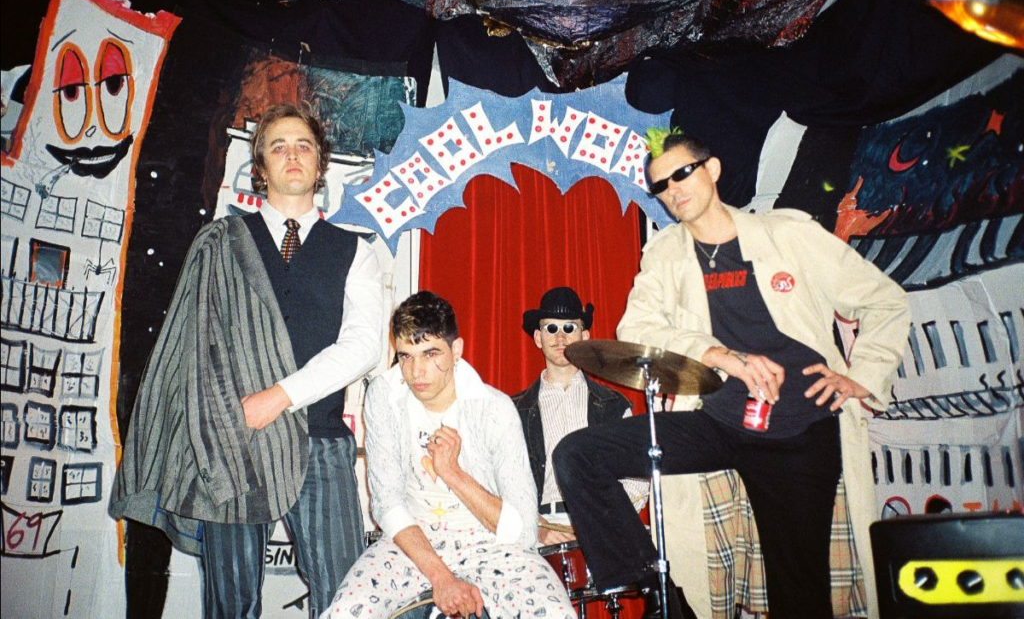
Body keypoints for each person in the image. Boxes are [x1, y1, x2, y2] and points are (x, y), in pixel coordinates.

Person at [553, 128, 910, 619]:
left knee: (799, 594)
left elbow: (885, 300)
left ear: (712, 169)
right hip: (718, 421)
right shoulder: (665, 253)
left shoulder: (789, 234)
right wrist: (720, 355)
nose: (673, 190)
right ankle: (653, 589)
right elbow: (636, 327)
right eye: (661, 185)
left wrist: (861, 375)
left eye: (682, 174)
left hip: (800, 429)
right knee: (578, 455)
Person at [110, 103, 387, 618]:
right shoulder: (220, 244)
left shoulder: (355, 252)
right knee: (230, 606)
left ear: (320, 163)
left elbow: (364, 345)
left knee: (343, 602)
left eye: (303, 146)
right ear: (259, 168)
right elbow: (195, 350)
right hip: (233, 443)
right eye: (278, 147)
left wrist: (278, 398)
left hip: (319, 441)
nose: (292, 155)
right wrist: (224, 421)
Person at [323, 291, 575, 619]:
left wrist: (453, 473)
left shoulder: (494, 408)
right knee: (344, 612)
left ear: (456, 350)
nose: (416, 371)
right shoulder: (385, 395)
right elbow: (387, 503)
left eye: (430, 354)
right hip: (411, 542)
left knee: (554, 612)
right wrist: (442, 579)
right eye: (406, 356)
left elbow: (523, 531)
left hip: (490, 546)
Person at [513, 286, 647, 546]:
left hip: (605, 525)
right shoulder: (514, 411)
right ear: (538, 338)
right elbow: (503, 482)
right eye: (551, 328)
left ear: (584, 336)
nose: (560, 337)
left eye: (569, 327)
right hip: (539, 531)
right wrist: (536, 527)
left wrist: (601, 519)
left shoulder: (614, 406)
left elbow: (638, 480)